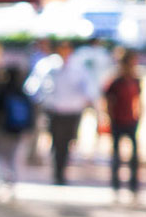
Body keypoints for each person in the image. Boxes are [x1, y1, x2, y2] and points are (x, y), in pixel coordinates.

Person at [25, 40, 97, 185]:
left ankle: (62, 169)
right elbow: (33, 86)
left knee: (68, 141)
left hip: (72, 111)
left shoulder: (78, 67)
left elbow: (88, 88)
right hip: (55, 111)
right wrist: (41, 100)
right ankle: (57, 171)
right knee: (57, 142)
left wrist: (89, 101)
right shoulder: (47, 66)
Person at [0, 65, 33, 195]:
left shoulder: (1, 93)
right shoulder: (22, 94)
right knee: (12, 156)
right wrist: (28, 128)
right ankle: (11, 180)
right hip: (16, 131)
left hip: (2, 131)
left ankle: (4, 179)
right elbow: (30, 114)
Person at [104, 49, 143, 198]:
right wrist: (110, 117)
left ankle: (133, 184)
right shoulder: (116, 81)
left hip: (131, 121)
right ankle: (116, 184)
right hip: (117, 121)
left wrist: (138, 115)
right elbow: (108, 100)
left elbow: (138, 100)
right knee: (116, 155)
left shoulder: (136, 80)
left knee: (134, 155)